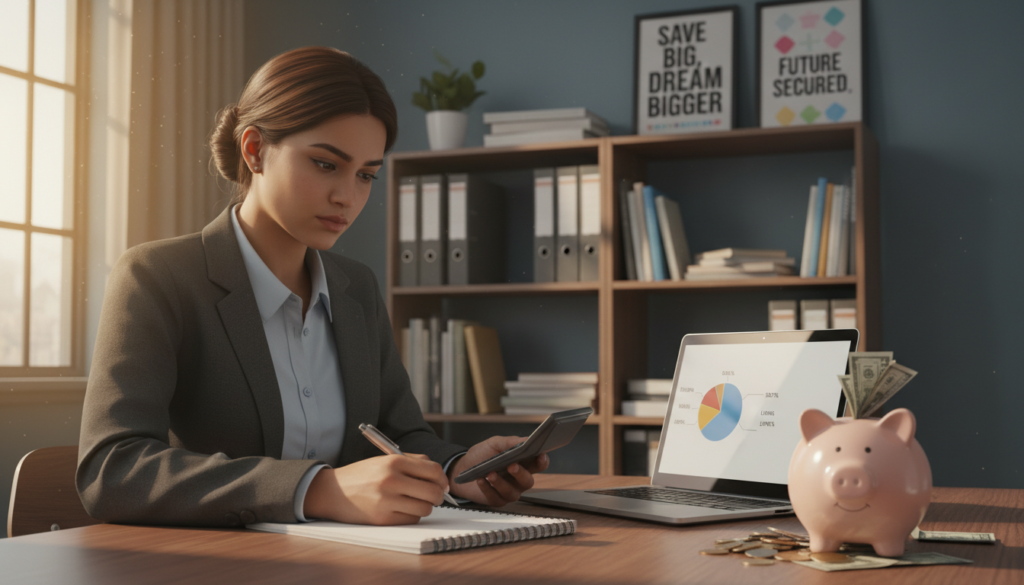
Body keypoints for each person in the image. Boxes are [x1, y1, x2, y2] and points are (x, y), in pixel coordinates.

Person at [77, 46, 548, 527]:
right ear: (254, 150)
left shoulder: (356, 287)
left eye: (366, 175)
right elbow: (112, 470)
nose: (347, 196)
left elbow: (399, 434)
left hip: (353, 555)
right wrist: (319, 489)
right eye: (326, 164)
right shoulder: (157, 276)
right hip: (215, 558)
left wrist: (458, 469)